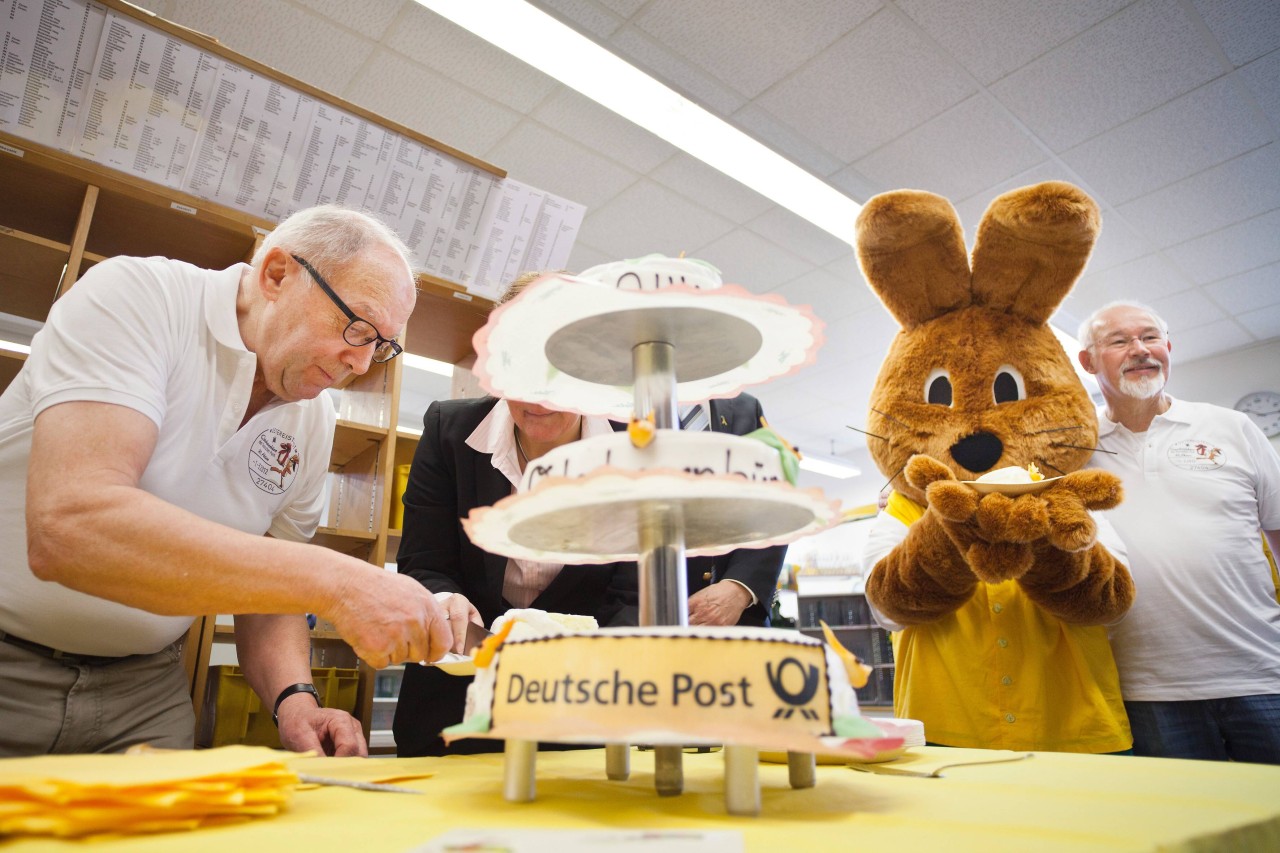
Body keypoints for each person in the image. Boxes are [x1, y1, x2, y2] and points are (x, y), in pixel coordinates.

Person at [0, 205, 476, 758]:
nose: (362, 362)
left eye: (382, 345)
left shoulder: (312, 416)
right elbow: (71, 527)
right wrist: (338, 580)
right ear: (277, 275)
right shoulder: (138, 297)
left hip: (145, 686)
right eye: (358, 327)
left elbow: (270, 597)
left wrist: (295, 699)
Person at [393, 273, 785, 756]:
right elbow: (425, 563)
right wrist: (444, 596)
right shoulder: (448, 430)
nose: (537, 398)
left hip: (582, 715)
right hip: (455, 712)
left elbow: (632, 595)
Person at [1077, 301, 1280, 763]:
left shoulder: (1231, 427)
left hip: (1263, 673)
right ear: (1088, 361)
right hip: (1146, 686)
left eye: (1150, 337)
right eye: (1119, 341)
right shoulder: (1074, 448)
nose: (1140, 350)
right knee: (1192, 825)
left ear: (1168, 347)